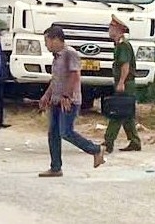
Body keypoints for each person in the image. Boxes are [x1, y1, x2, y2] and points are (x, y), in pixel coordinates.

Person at [38, 25, 105, 177]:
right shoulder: (56, 57)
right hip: (56, 100)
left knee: (66, 132)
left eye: (47, 41)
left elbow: (74, 76)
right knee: (53, 133)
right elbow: (56, 80)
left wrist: (67, 96)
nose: (46, 45)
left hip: (68, 101)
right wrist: (47, 96)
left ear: (56, 40)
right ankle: (55, 167)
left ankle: (96, 149)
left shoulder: (70, 54)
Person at [103, 15, 142, 153]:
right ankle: (135, 141)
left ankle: (108, 142)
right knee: (127, 114)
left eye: (111, 27)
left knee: (117, 113)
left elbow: (125, 66)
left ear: (118, 29)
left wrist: (121, 82)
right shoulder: (120, 44)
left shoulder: (123, 45)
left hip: (125, 83)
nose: (109, 30)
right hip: (126, 83)